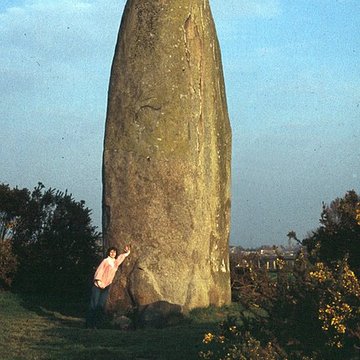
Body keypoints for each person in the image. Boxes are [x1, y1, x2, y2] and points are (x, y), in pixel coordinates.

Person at [86, 245, 130, 328]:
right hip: (98, 285)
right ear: (109, 253)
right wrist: (99, 281)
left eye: (114, 252)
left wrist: (126, 252)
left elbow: (121, 257)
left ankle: (96, 325)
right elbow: (99, 270)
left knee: (101, 305)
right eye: (111, 252)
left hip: (106, 286)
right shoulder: (106, 261)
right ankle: (89, 324)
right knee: (94, 304)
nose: (113, 253)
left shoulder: (115, 263)